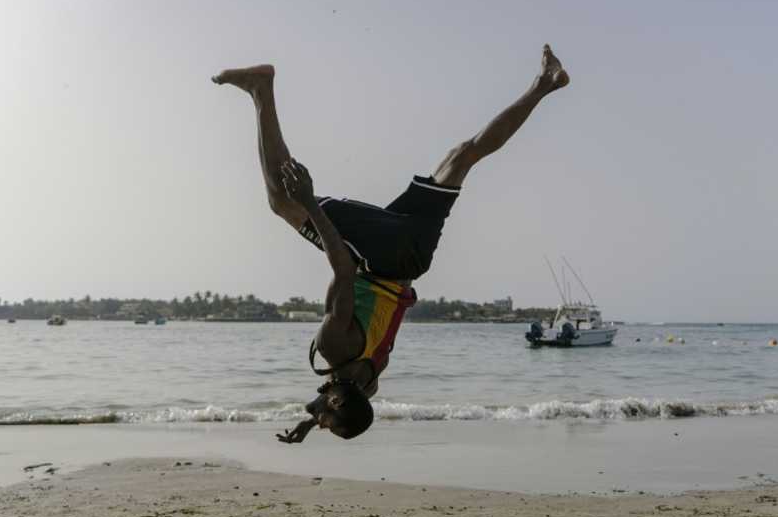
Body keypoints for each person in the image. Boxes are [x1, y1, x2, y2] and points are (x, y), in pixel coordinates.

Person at [212, 45, 570, 442]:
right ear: (335, 401)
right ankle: (262, 90)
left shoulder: (368, 383)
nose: (321, 418)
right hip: (382, 256)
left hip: (413, 256)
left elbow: (346, 400)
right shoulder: (334, 348)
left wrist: (310, 424)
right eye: (327, 421)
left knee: (462, 156)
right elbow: (344, 269)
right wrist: (311, 203)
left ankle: (544, 84)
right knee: (284, 200)